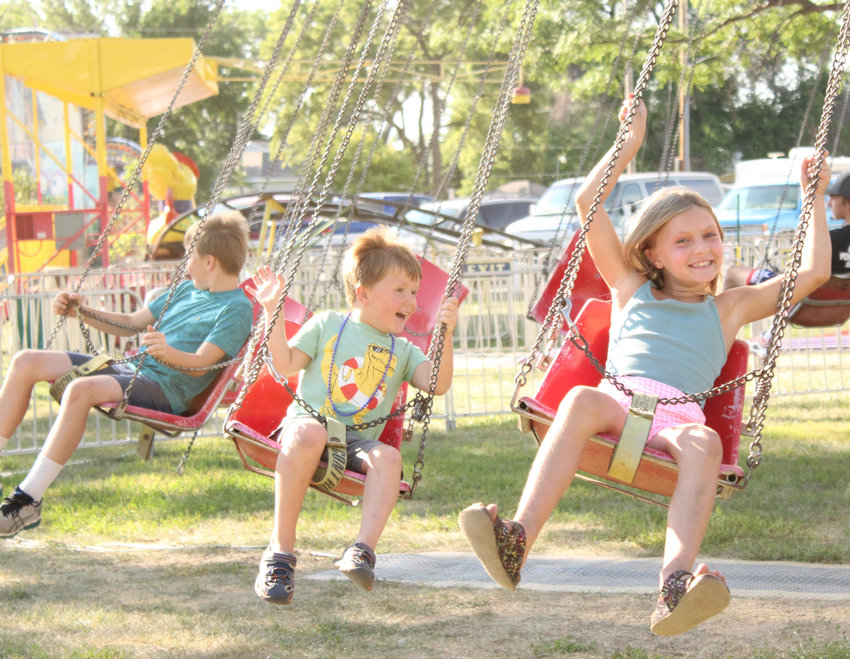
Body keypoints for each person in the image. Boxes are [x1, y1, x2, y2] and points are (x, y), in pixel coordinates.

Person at [459, 97, 832, 636]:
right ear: (653, 253)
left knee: (706, 442)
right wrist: (625, 146)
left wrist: (813, 199)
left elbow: (815, 273)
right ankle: (517, 540)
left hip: (678, 419)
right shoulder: (630, 288)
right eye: (683, 241)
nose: (702, 249)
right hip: (617, 401)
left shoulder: (729, 308)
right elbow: (589, 201)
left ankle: (674, 586)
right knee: (579, 399)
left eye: (710, 236)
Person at [0, 211, 254, 537]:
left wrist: (168, 353)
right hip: (133, 369)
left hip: (167, 388)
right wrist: (82, 312)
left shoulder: (235, 308)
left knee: (80, 390)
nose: (184, 264)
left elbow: (204, 362)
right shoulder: (183, 291)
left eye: (189, 255)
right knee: (26, 361)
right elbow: (130, 322)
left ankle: (27, 501)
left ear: (209, 262)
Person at [248, 227, 459, 605]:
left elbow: (437, 384)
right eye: (400, 290)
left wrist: (447, 332)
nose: (410, 301)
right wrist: (272, 311)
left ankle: (362, 551)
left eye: (414, 292)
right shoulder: (328, 324)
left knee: (389, 457)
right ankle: (280, 553)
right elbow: (284, 362)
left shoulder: (404, 350)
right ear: (363, 293)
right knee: (310, 433)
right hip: (306, 426)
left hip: (354, 441)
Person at [724, 169, 850, 288]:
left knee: (732, 272)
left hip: (798, 296)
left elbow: (801, 273)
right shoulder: (830, 240)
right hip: (839, 302)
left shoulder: (827, 241)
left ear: (848, 203)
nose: (829, 204)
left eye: (833, 198)